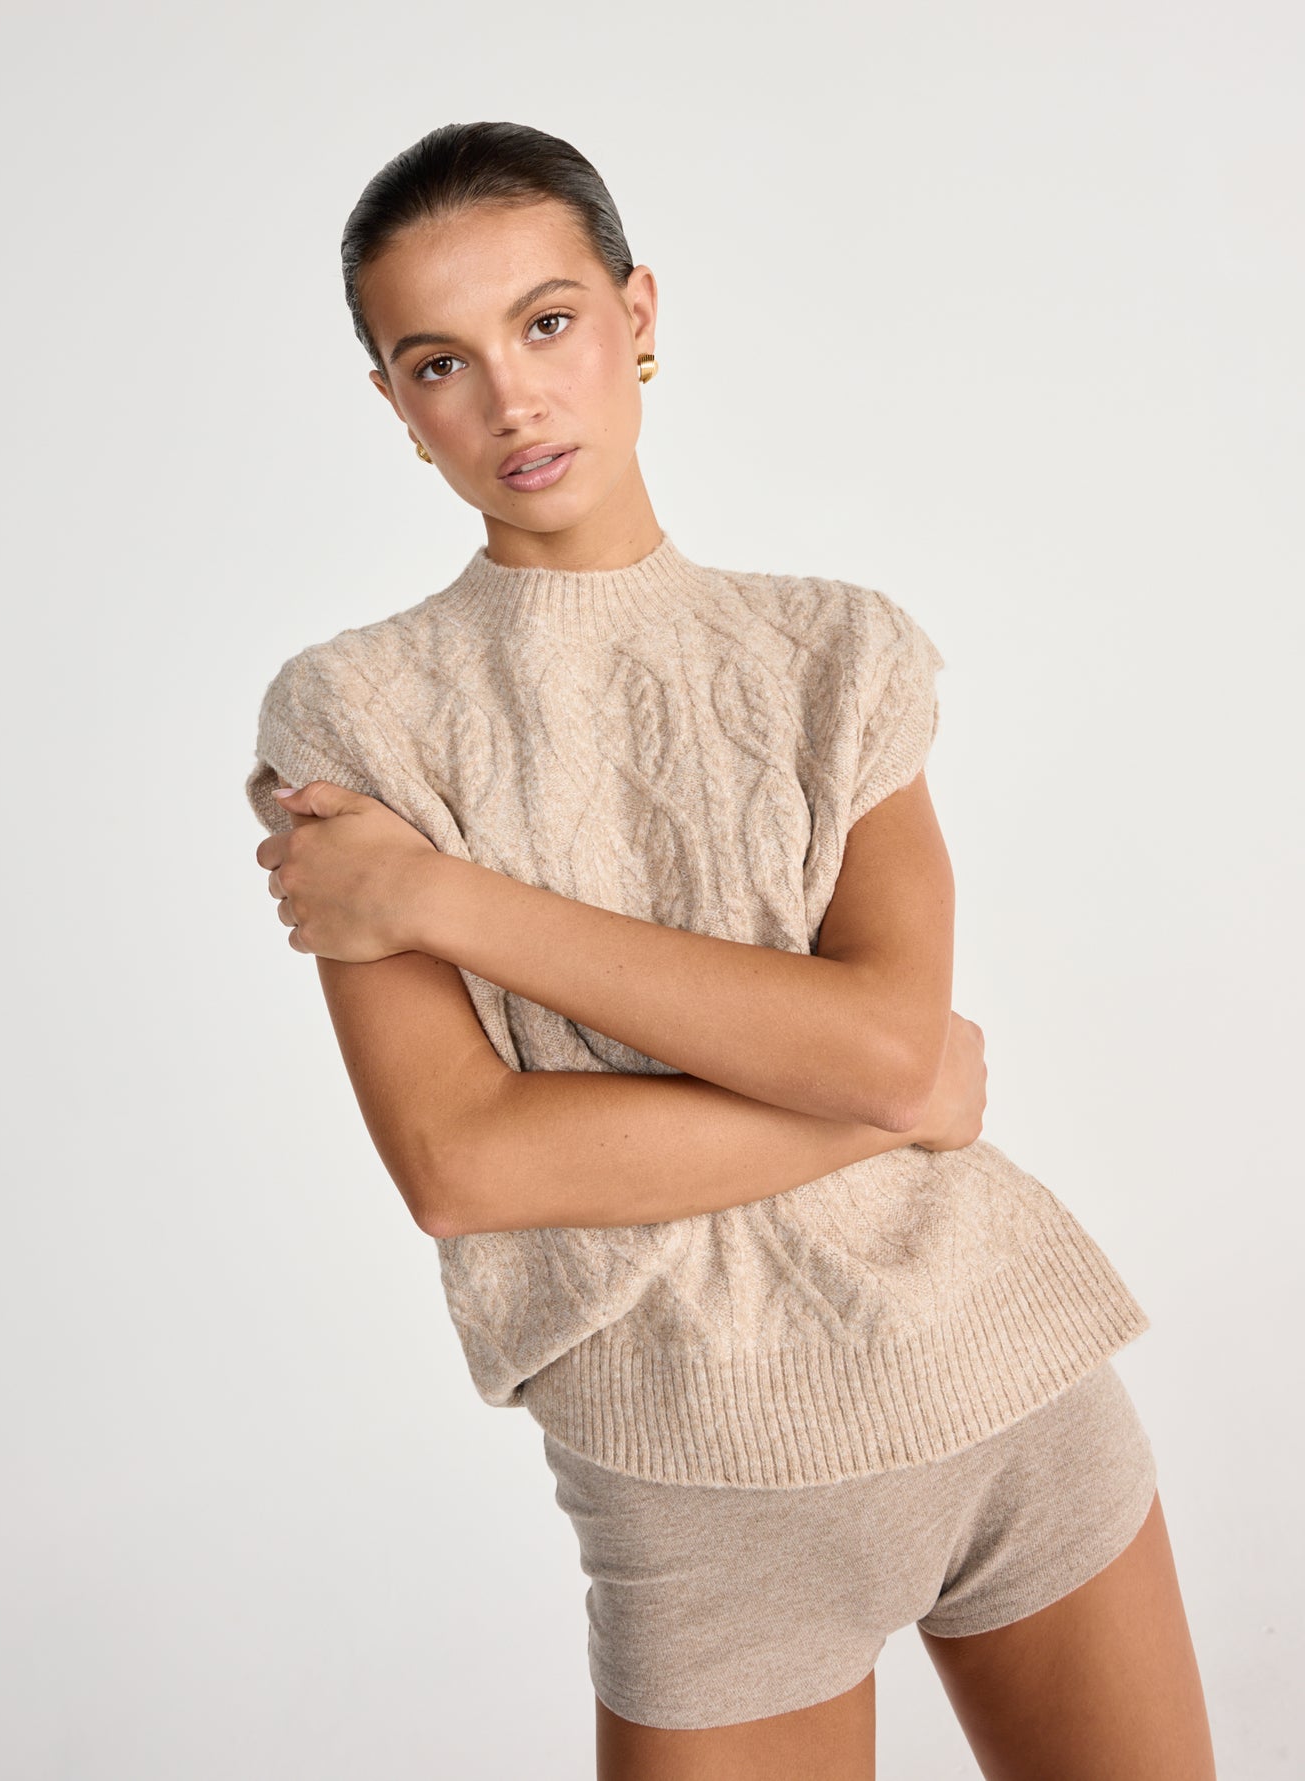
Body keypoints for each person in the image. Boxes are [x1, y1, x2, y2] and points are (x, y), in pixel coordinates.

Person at [246, 121, 1216, 1780]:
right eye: (440, 362)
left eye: (548, 322)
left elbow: (891, 1046)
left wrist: (446, 902)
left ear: (636, 316)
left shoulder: (839, 650)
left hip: (1012, 1380)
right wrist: (889, 1096)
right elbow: (465, 1164)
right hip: (701, 1483)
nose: (510, 398)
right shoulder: (354, 713)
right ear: (397, 406)